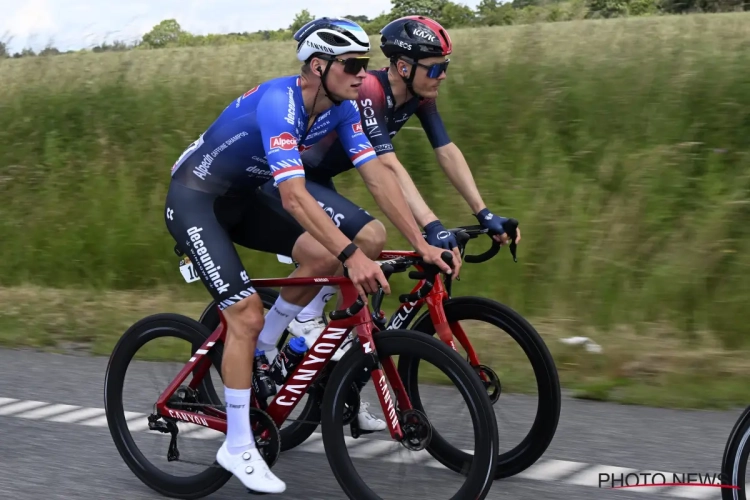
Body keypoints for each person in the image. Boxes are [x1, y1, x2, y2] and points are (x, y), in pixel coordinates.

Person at [164, 17, 455, 495]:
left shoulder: (341, 108)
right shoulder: (281, 105)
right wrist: (353, 255)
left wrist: (423, 239)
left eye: (366, 65)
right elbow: (296, 198)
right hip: (198, 199)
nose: (365, 75)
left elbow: (378, 178)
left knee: (322, 260)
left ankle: (266, 346)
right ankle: (237, 445)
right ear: (318, 67)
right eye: (353, 65)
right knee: (244, 313)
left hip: (246, 195)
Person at [259, 15, 522, 433]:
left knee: (363, 309)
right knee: (369, 239)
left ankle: (341, 381)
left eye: (446, 67)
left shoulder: (420, 96)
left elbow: (447, 150)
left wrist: (484, 213)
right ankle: (303, 319)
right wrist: (429, 228)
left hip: (322, 178)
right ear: (404, 67)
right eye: (435, 67)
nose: (442, 75)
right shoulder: (368, 91)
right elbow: (387, 165)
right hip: (295, 179)